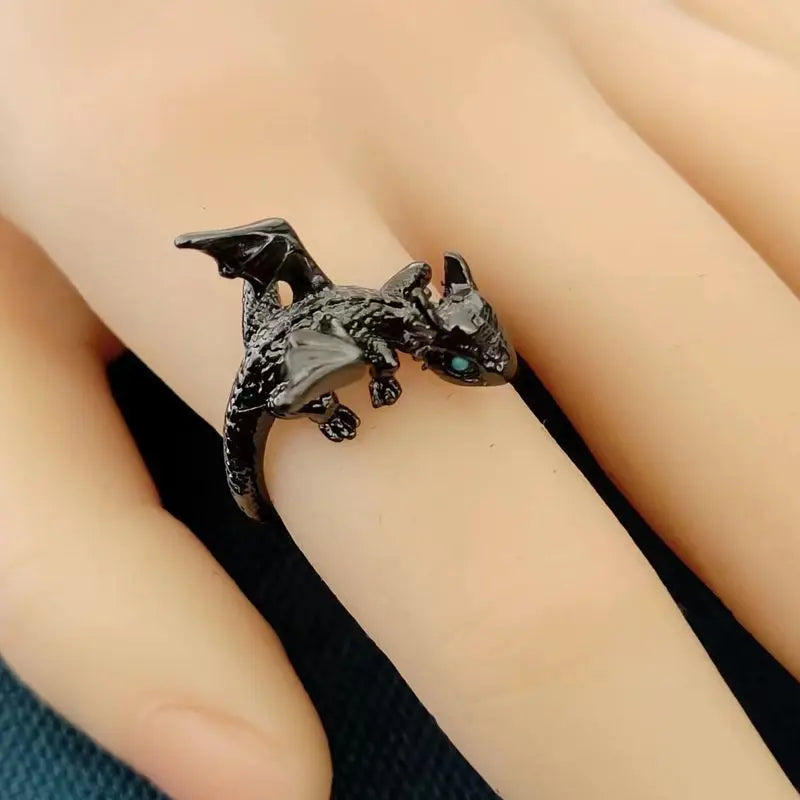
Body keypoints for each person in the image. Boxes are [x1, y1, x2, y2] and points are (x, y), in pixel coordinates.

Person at [1, 2, 799, 798]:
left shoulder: (408, 303)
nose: (479, 372)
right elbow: (358, 347)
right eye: (467, 363)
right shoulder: (383, 332)